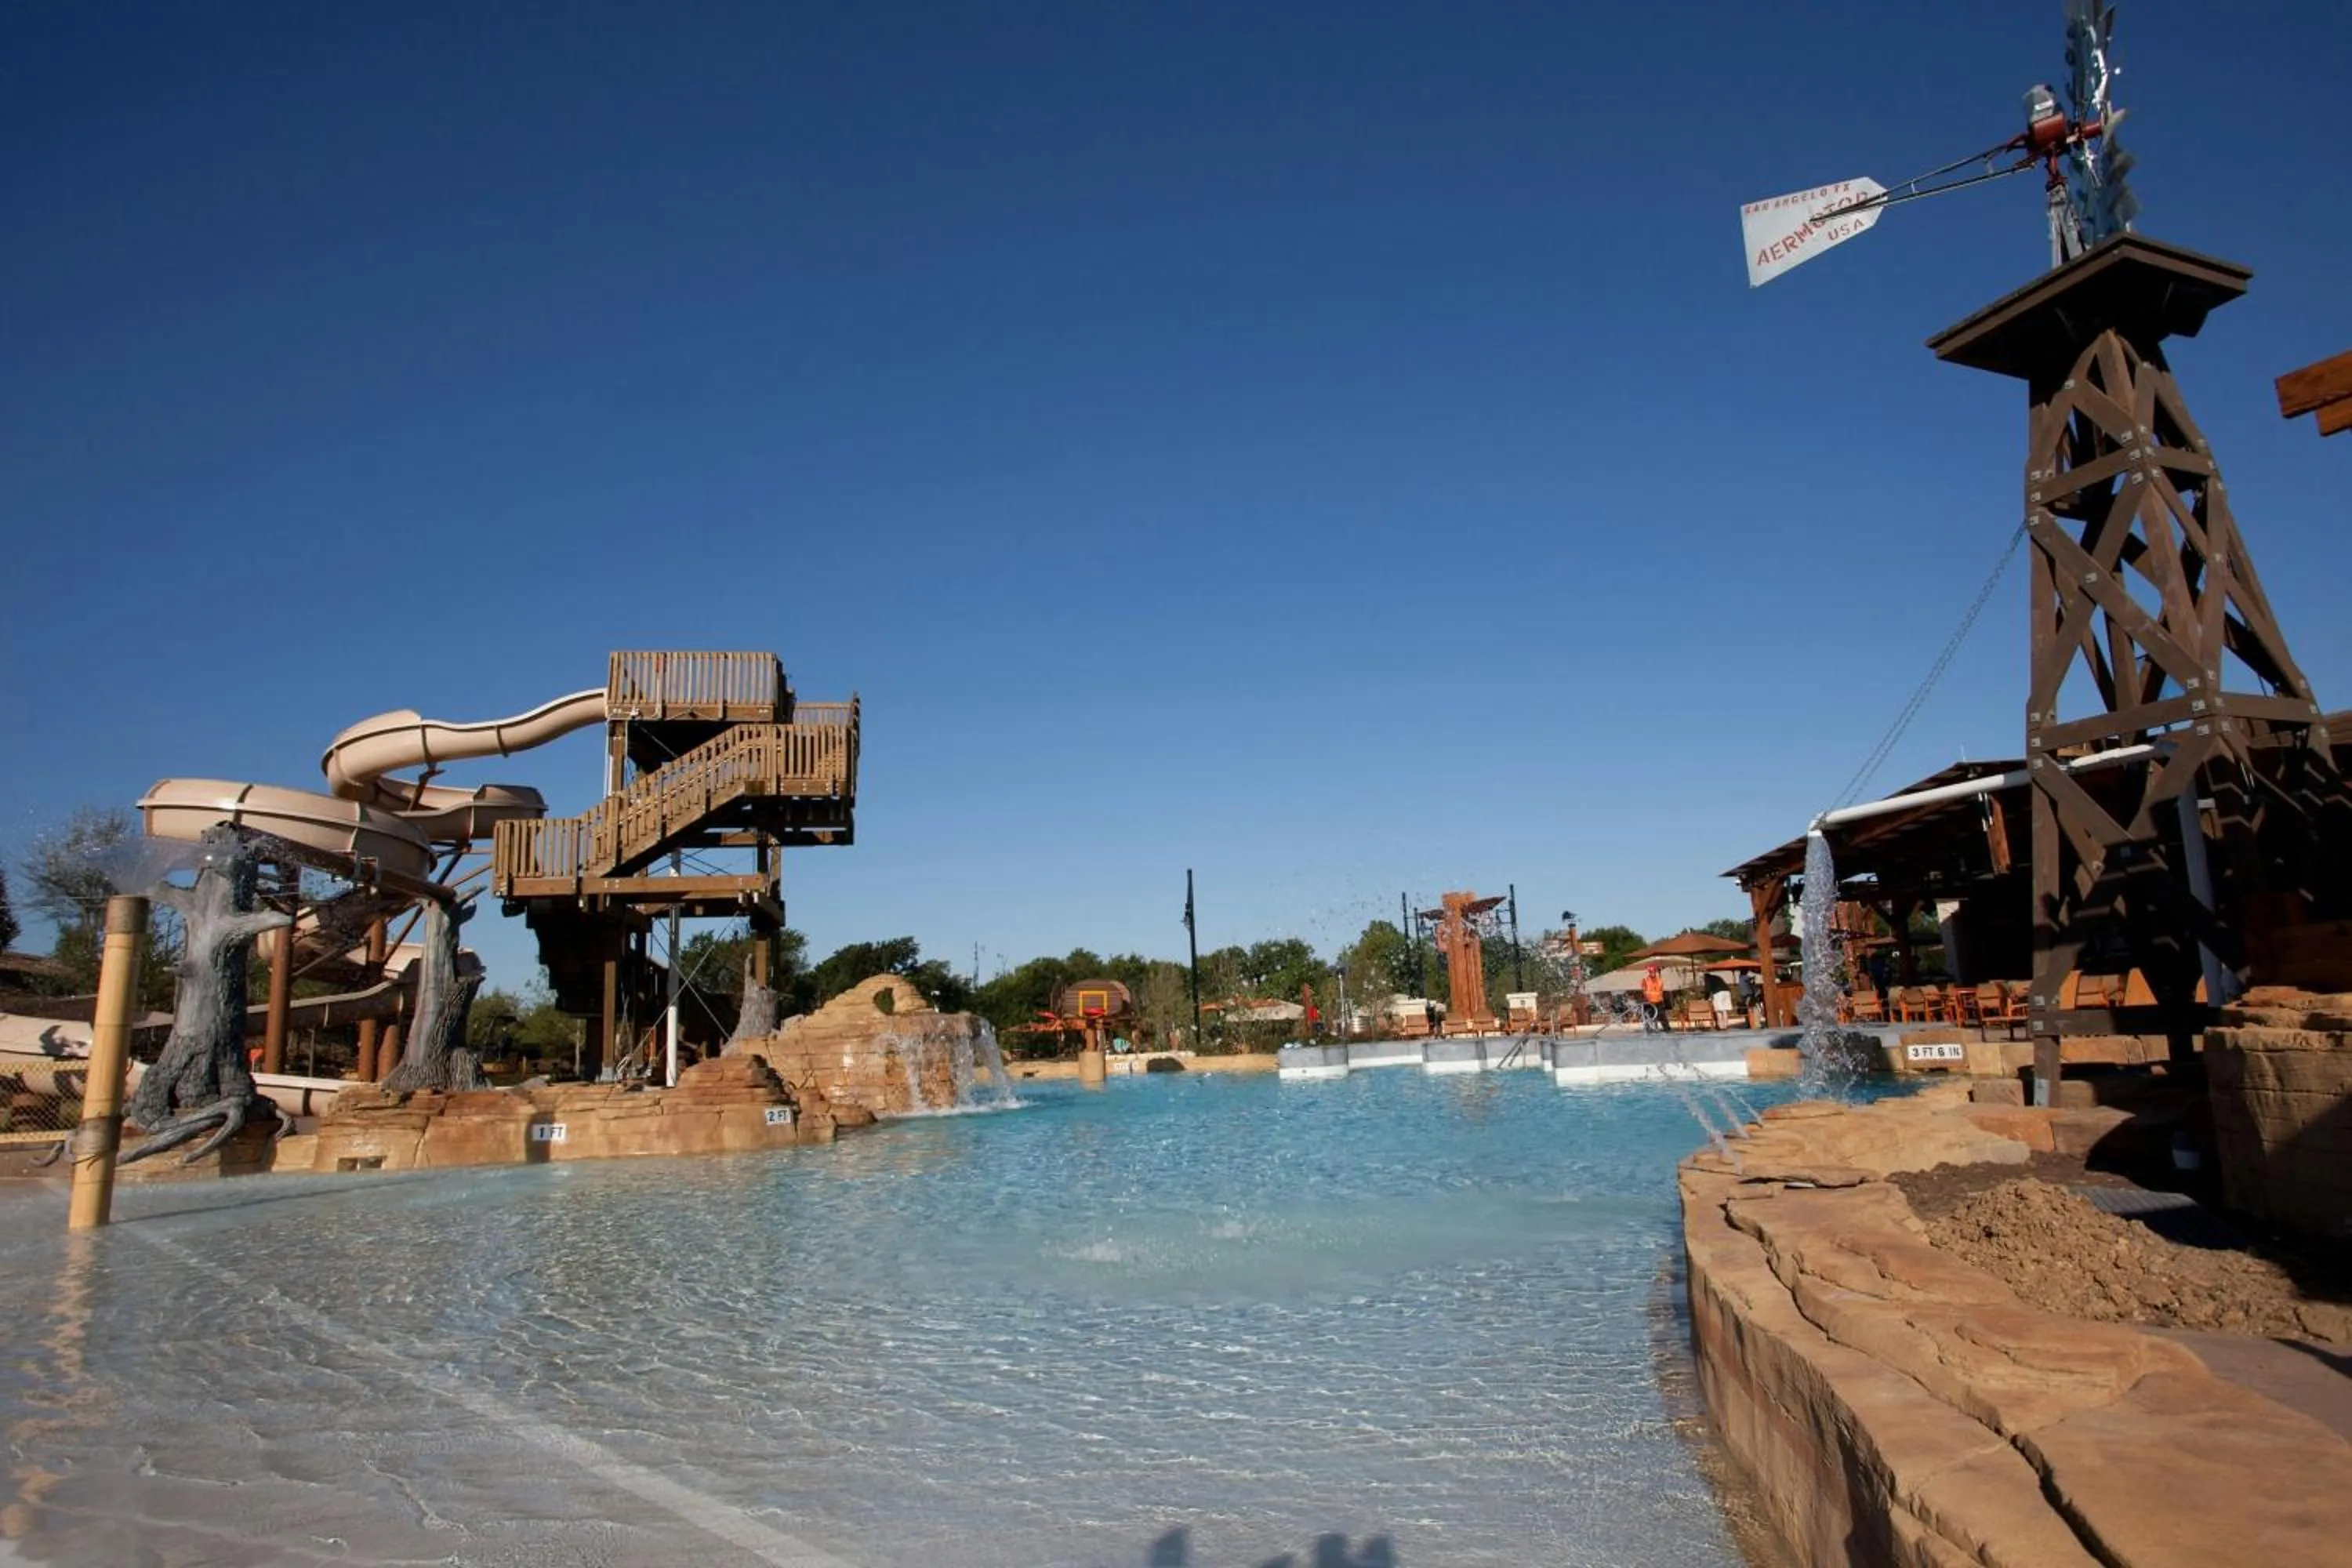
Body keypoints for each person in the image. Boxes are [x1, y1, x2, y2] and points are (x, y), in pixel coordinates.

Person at [1640, 964, 1668, 1032]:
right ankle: (1649, 1030)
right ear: (1649, 972)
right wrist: (1647, 998)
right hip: (1649, 1002)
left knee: (1663, 1017)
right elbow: (1644, 991)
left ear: (1655, 972)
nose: (1652, 973)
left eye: (1653, 972)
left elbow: (1661, 990)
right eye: (1651, 972)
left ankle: (1667, 1030)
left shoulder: (1660, 980)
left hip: (1659, 1001)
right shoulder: (1645, 980)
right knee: (1649, 1018)